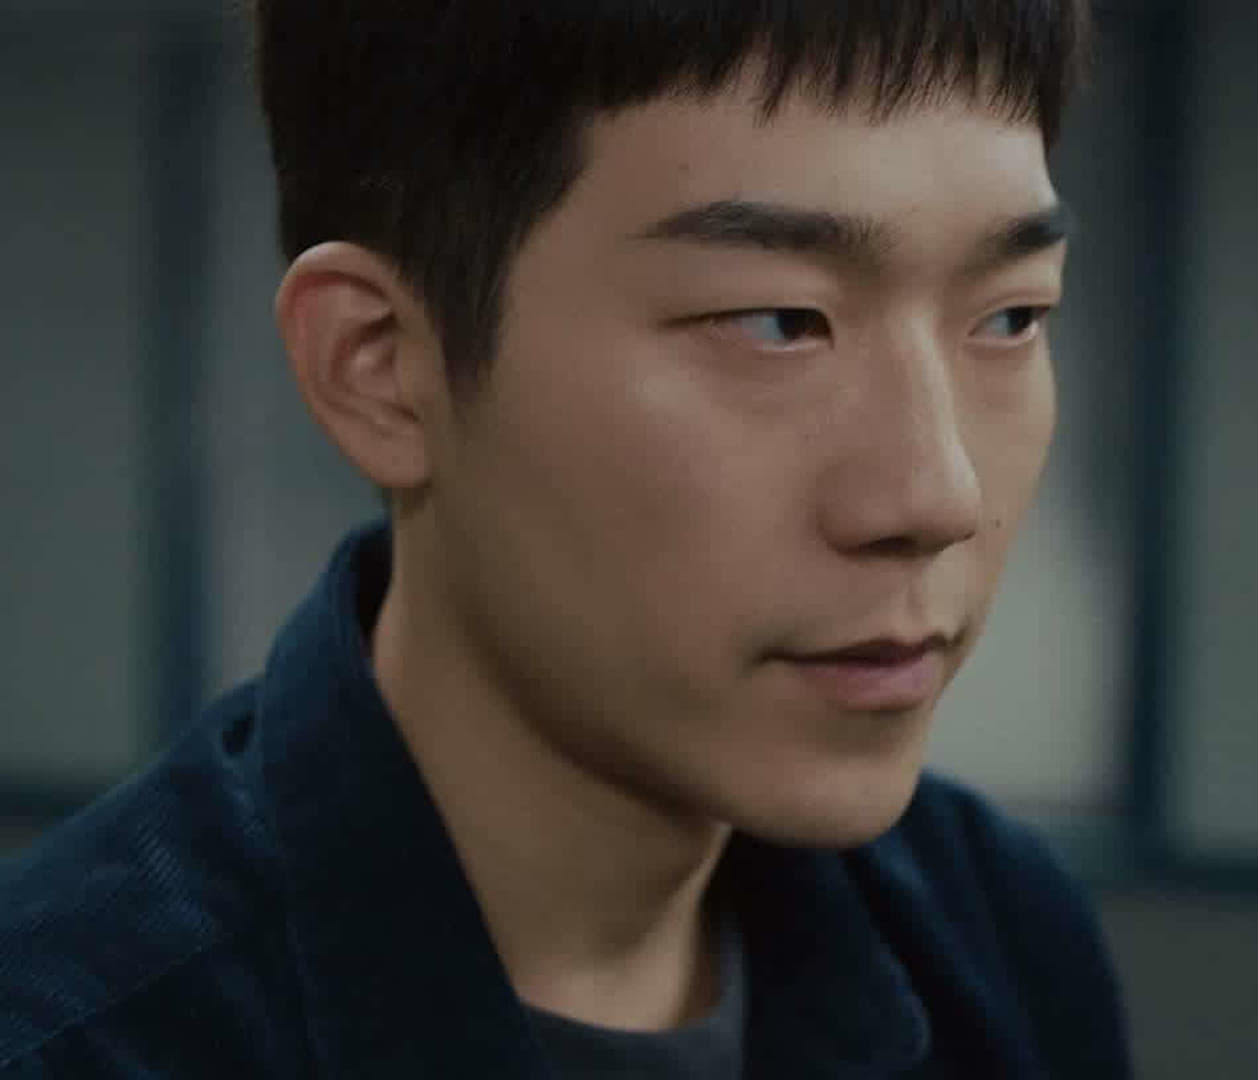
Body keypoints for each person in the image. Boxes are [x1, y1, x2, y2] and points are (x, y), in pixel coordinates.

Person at [0, 2, 1132, 1076]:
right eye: (779, 321)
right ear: (379, 365)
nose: (937, 495)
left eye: (1011, 316)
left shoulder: (996, 940)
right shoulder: (73, 1038)